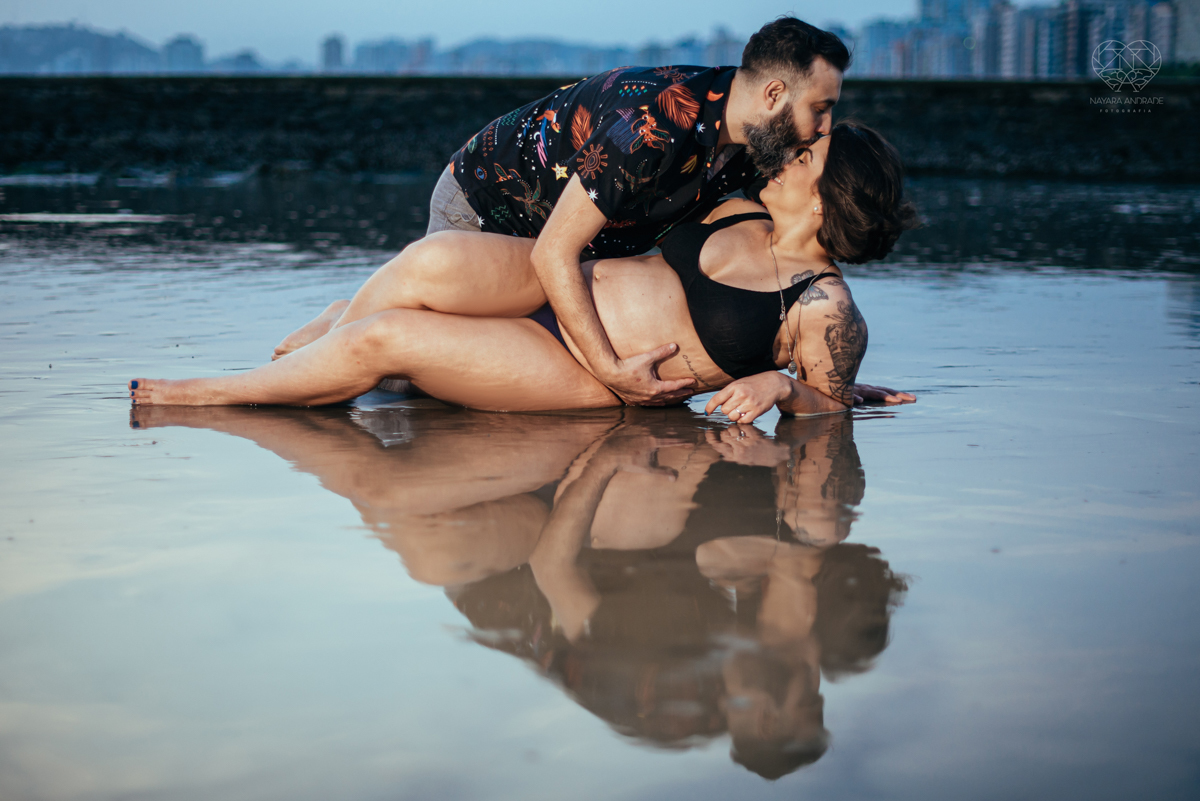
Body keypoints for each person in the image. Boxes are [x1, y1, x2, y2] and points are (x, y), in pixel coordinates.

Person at [127, 121, 917, 418]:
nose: (789, 153)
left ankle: (213, 390)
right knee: (429, 259)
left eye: (806, 155)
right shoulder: (738, 202)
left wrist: (790, 384)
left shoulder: (826, 305)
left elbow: (825, 412)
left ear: (827, 194)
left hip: (588, 370)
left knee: (388, 341)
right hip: (555, 290)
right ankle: (332, 338)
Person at [405, 17, 852, 406]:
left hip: (568, 240)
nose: (825, 128)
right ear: (773, 94)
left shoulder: (753, 141)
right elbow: (551, 253)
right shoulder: (652, 123)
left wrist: (826, 373)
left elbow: (802, 239)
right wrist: (610, 369)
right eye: (820, 108)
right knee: (417, 372)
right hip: (487, 207)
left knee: (468, 366)